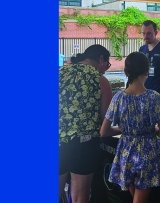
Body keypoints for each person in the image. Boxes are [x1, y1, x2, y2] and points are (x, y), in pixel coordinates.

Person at [100, 52, 160, 203]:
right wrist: (153, 130)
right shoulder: (154, 97)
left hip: (125, 152)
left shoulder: (118, 97)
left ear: (126, 71)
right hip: (147, 152)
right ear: (147, 71)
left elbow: (103, 131)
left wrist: (123, 130)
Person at [59, 44, 113, 203]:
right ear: (101, 59)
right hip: (84, 143)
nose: (105, 69)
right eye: (107, 65)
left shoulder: (58, 72)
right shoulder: (101, 80)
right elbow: (105, 120)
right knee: (79, 196)